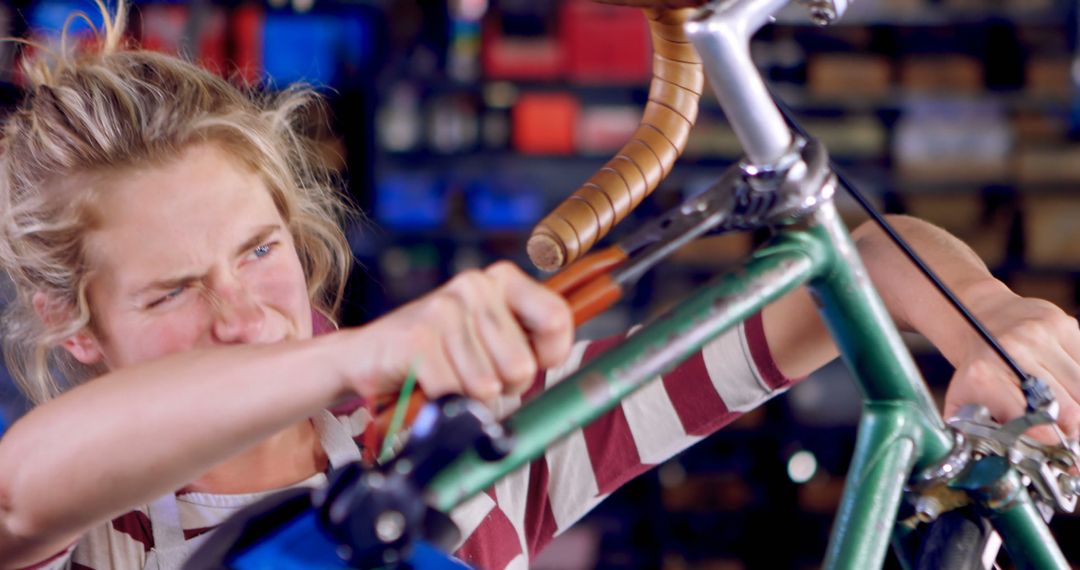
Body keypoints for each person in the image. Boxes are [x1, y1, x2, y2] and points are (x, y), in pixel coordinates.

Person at [2, 2, 1079, 569]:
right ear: (71, 320)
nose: (243, 318)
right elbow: (20, 495)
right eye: (169, 293)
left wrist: (999, 321)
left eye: (257, 252)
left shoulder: (465, 463)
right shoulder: (103, 533)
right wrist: (360, 352)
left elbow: (859, 270)